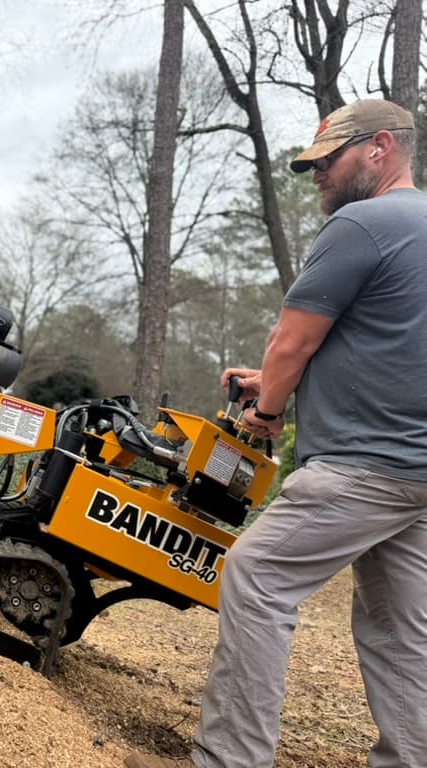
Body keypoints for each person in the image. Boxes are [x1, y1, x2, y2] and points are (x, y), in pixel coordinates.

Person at [126, 98, 427, 768]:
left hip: (362, 466)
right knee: (400, 635)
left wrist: (267, 412)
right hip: (418, 478)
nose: (316, 176)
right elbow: (395, 351)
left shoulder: (364, 223)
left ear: (381, 148)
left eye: (329, 161)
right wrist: (279, 385)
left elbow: (291, 342)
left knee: (257, 575)